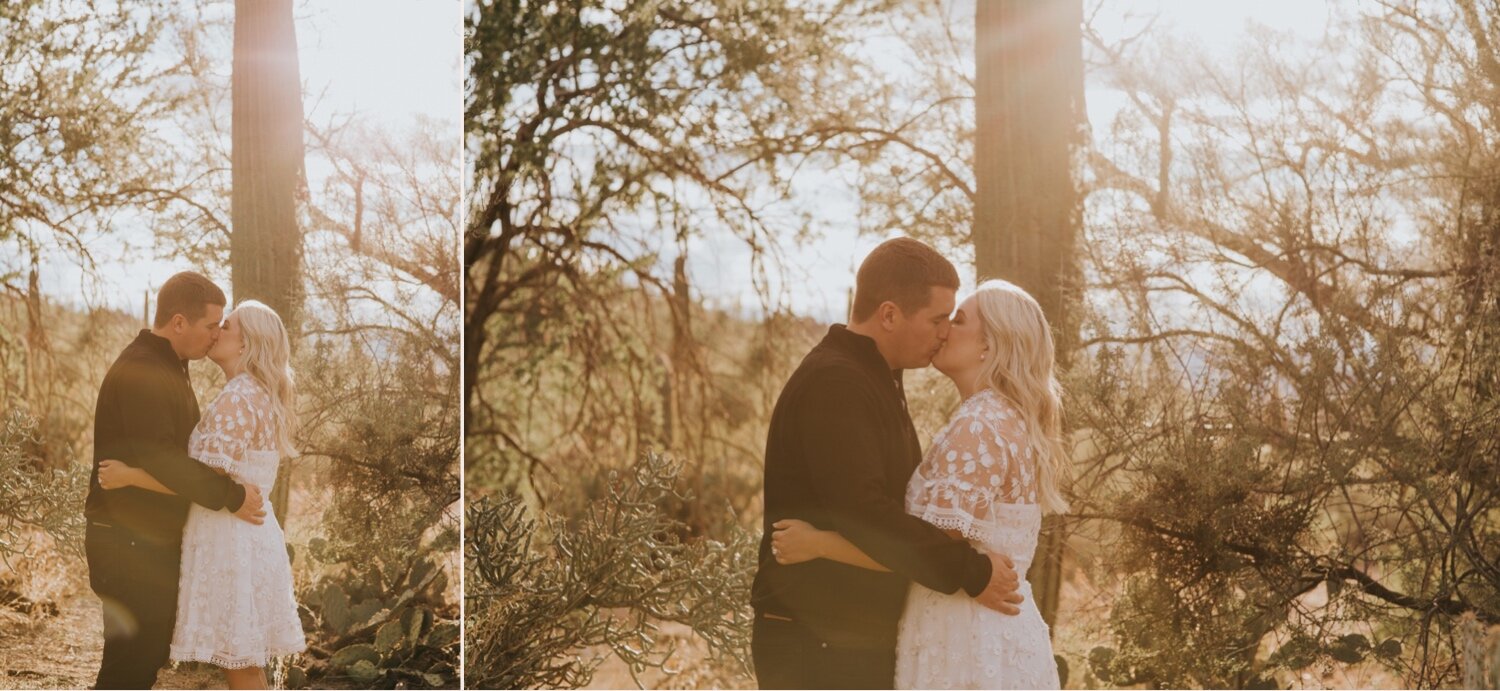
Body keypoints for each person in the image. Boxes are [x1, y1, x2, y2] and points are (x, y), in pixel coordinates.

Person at [749, 238, 1025, 690]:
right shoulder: (838, 382)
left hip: (840, 637)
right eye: (937, 319)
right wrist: (971, 573)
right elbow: (864, 513)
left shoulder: (874, 377)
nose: (944, 333)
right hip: (814, 639)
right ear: (890, 314)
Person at [85, 271, 267, 689]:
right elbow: (165, 459)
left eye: (223, 326)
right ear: (179, 322)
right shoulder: (144, 371)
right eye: (210, 326)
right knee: (129, 666)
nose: (215, 335)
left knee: (143, 660)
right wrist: (230, 495)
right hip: (125, 541)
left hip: (142, 539)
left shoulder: (170, 365)